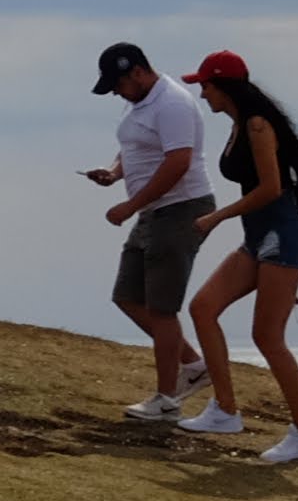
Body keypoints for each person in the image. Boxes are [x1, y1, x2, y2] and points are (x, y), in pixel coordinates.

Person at [172, 50, 298, 466]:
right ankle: (225, 411)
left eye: (206, 85)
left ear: (223, 86)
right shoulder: (239, 124)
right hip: (258, 240)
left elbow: (272, 189)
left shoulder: (258, 125)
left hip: (282, 239)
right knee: (203, 308)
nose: (202, 94)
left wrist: (217, 217)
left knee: (268, 338)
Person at [83, 39, 221, 422]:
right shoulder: (140, 104)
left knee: (162, 308)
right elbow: (135, 147)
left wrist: (130, 205)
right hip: (154, 211)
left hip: (181, 209)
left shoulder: (172, 103)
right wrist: (114, 173)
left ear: (138, 72)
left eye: (118, 84)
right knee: (128, 296)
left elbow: (178, 162)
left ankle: (166, 400)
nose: (117, 92)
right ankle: (194, 366)